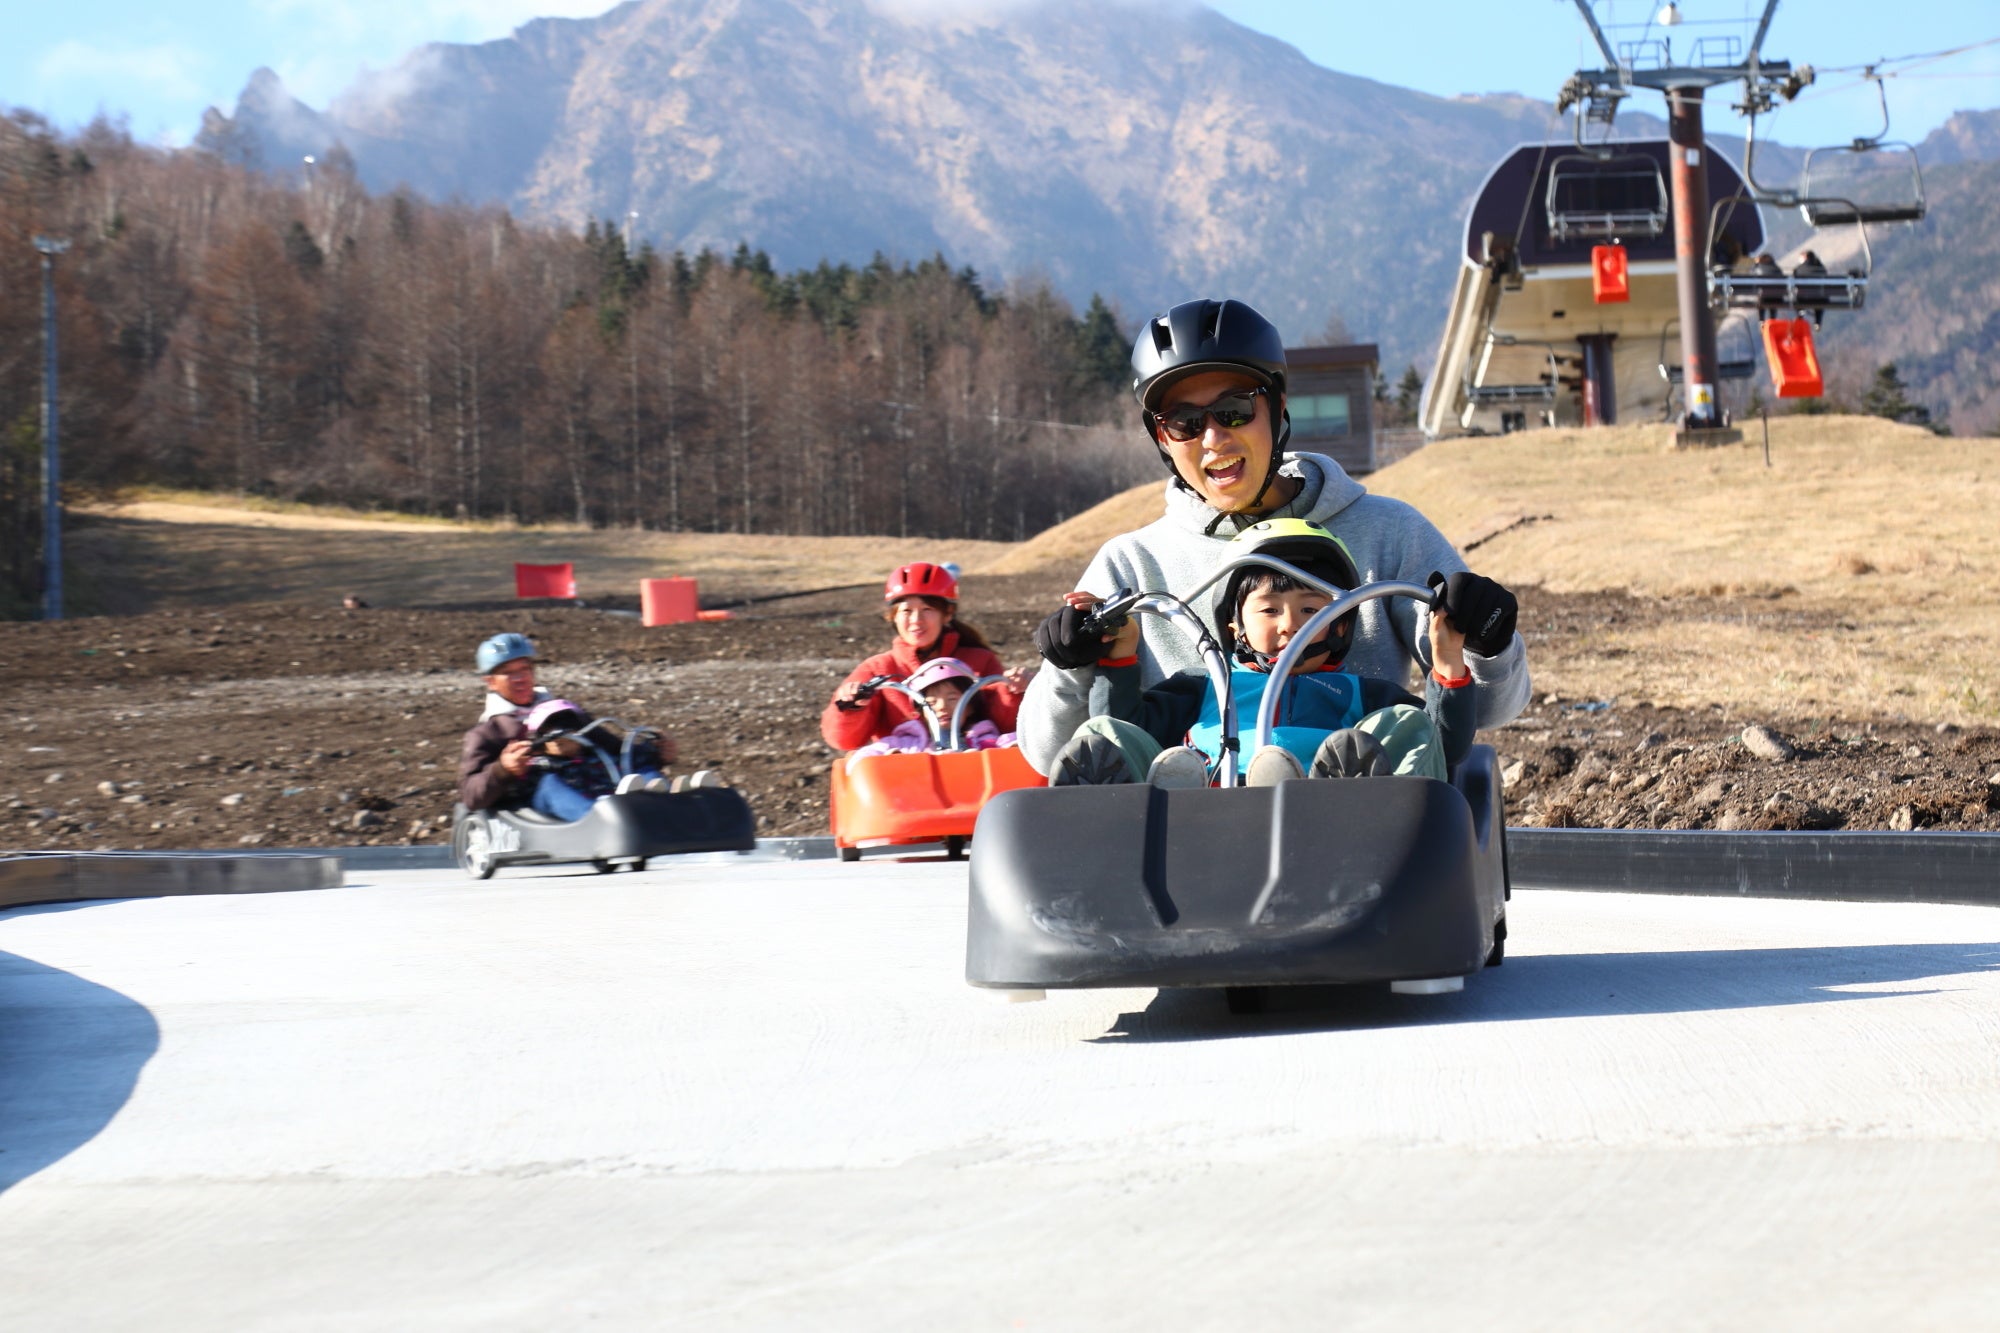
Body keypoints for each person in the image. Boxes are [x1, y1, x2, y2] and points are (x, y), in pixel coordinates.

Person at [1018, 297, 1529, 774]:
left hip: (1361, 830)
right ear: (1161, 437)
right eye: (1185, 422)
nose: (1214, 438)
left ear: (1278, 406)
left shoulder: (1389, 533)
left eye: (1235, 410)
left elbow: (1490, 707)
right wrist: (1072, 666)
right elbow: (1048, 754)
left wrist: (1488, 641)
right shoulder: (1131, 565)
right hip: (1184, 835)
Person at [1040, 519, 1477, 787]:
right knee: (1105, 733)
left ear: (1341, 622)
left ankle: (1354, 797)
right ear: (1235, 625)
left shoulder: (1361, 695)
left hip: (1331, 824)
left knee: (1405, 722)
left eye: (1311, 609)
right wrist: (1118, 659)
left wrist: (1447, 664)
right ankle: (1112, 812)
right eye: (1269, 610)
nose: (1290, 624)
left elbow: (1442, 744)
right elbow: (1130, 728)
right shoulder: (1205, 686)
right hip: (1203, 811)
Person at [457, 632, 703, 818]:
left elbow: (613, 748)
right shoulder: (486, 733)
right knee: (549, 783)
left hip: (588, 778)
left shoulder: (563, 712)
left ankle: (671, 802)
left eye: (525, 669)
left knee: (634, 763)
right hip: (539, 792)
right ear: (490, 682)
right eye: (509, 673)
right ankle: (603, 821)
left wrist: (656, 753)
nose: (521, 678)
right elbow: (471, 795)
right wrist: (503, 769)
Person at [821, 562, 1030, 750]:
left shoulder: (980, 661)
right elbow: (842, 740)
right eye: (906, 611)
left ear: (947, 614)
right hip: (902, 781)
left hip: (971, 772)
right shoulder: (878, 669)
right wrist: (850, 707)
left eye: (927, 609)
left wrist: (1014, 692)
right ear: (893, 617)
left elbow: (1005, 728)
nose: (916, 620)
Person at [847, 657, 1018, 760]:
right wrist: (890, 761)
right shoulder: (908, 743)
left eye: (952, 699)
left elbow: (1019, 744)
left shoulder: (986, 740)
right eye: (931, 702)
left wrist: (1015, 749)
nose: (942, 707)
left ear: (971, 706)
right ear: (921, 711)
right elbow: (860, 760)